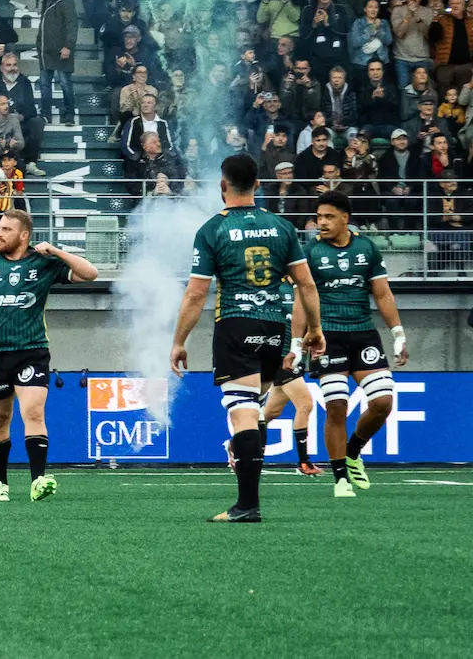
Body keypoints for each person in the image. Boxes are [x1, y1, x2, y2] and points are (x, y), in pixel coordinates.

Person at [170, 153, 325, 524]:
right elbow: (306, 284)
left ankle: (247, 505)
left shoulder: (212, 229)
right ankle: (243, 457)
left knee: (242, 411)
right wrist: (314, 331)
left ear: (223, 186)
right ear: (258, 185)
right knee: (254, 409)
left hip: (237, 325)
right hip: (276, 327)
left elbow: (195, 294)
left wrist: (179, 341)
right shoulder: (282, 227)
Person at [0, 208, 96, 502]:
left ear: (24, 236)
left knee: (33, 412)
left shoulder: (43, 263)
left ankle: (38, 480)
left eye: (6, 229)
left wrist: (54, 250)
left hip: (32, 350)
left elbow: (90, 273)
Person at [296, 190, 409, 498]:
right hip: (326, 337)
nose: (322, 222)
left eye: (329, 216)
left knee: (383, 402)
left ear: (345, 218)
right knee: (336, 406)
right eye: (319, 217)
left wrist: (398, 334)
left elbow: (383, 294)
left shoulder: (366, 248)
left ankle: (353, 451)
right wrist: (296, 343)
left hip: (363, 334)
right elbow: (301, 298)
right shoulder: (311, 251)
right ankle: (340, 478)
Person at [253, 278, 323, 477]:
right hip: (280, 358)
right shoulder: (274, 287)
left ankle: (236, 445)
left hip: (296, 357)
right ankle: (304, 462)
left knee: (269, 413)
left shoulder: (304, 288)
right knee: (306, 404)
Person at [36, 0, 77, 124]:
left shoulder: (65, 0)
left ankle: (69, 114)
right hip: (45, 50)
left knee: (65, 83)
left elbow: (72, 24)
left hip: (61, 51)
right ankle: (45, 113)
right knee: (45, 84)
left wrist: (68, 46)